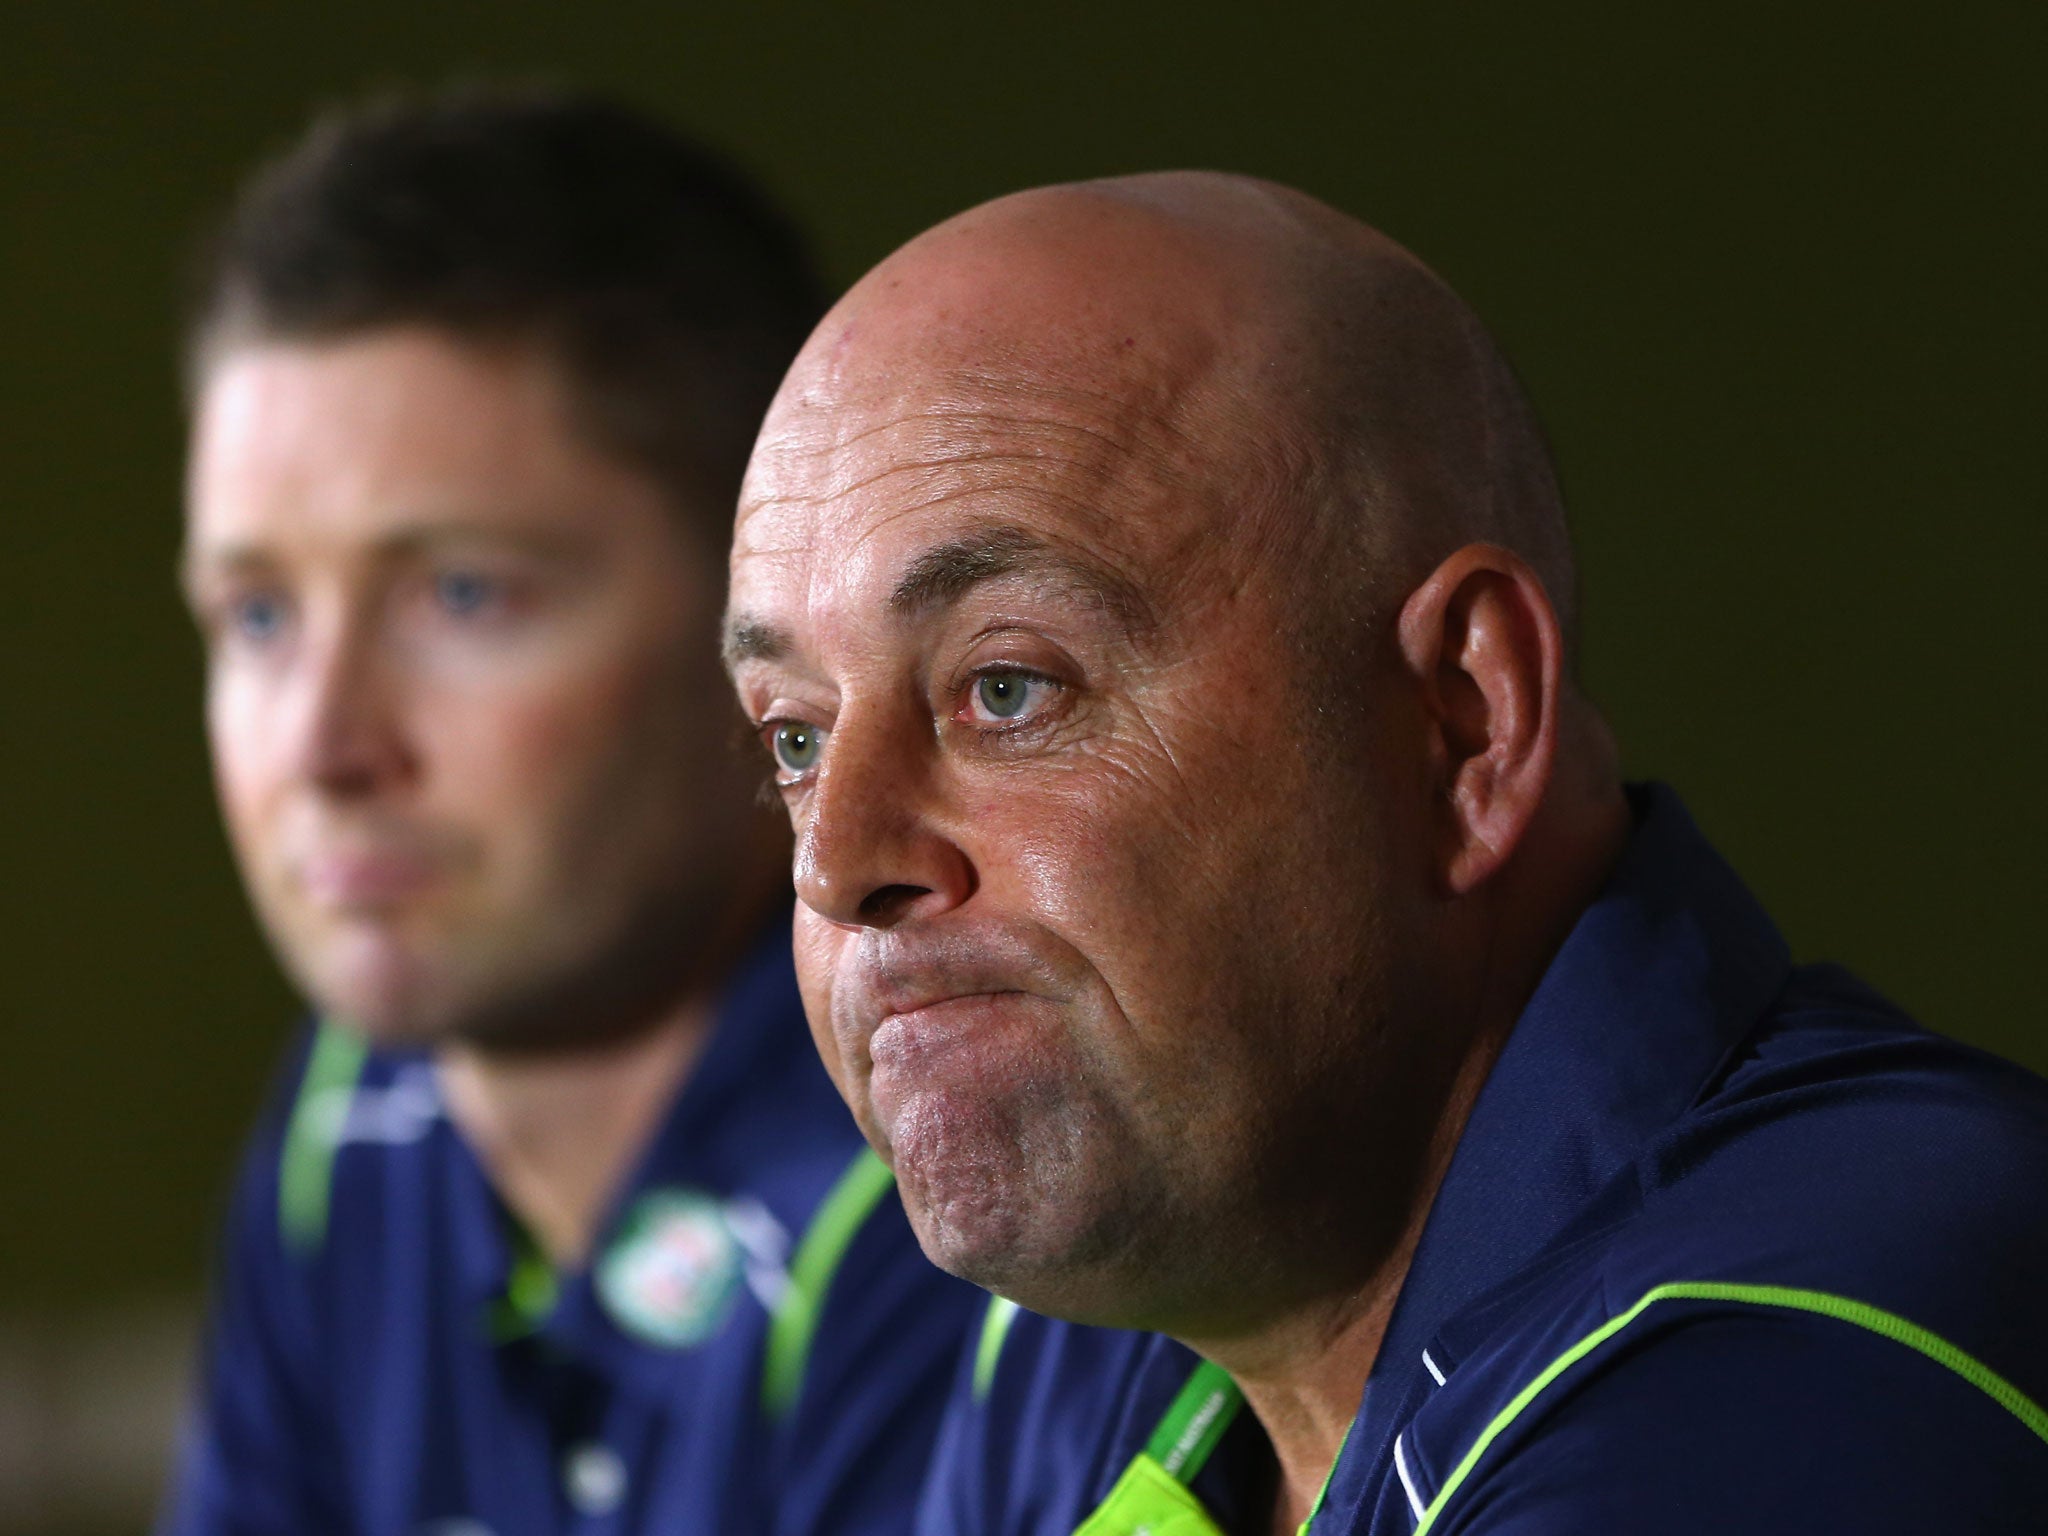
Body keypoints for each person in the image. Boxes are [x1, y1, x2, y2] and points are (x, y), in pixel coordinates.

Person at [721, 172, 2048, 1533]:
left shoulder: (1788, 1386)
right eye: (796, 740)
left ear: (1463, 725)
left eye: (1007, 688)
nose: (838, 866)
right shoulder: (1092, 1323)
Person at [164, 87, 978, 1536]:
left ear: (757, 631)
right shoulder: (349, 1120)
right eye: (259, 614)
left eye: (463, 595)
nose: (325, 746)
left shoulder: (961, 1190)